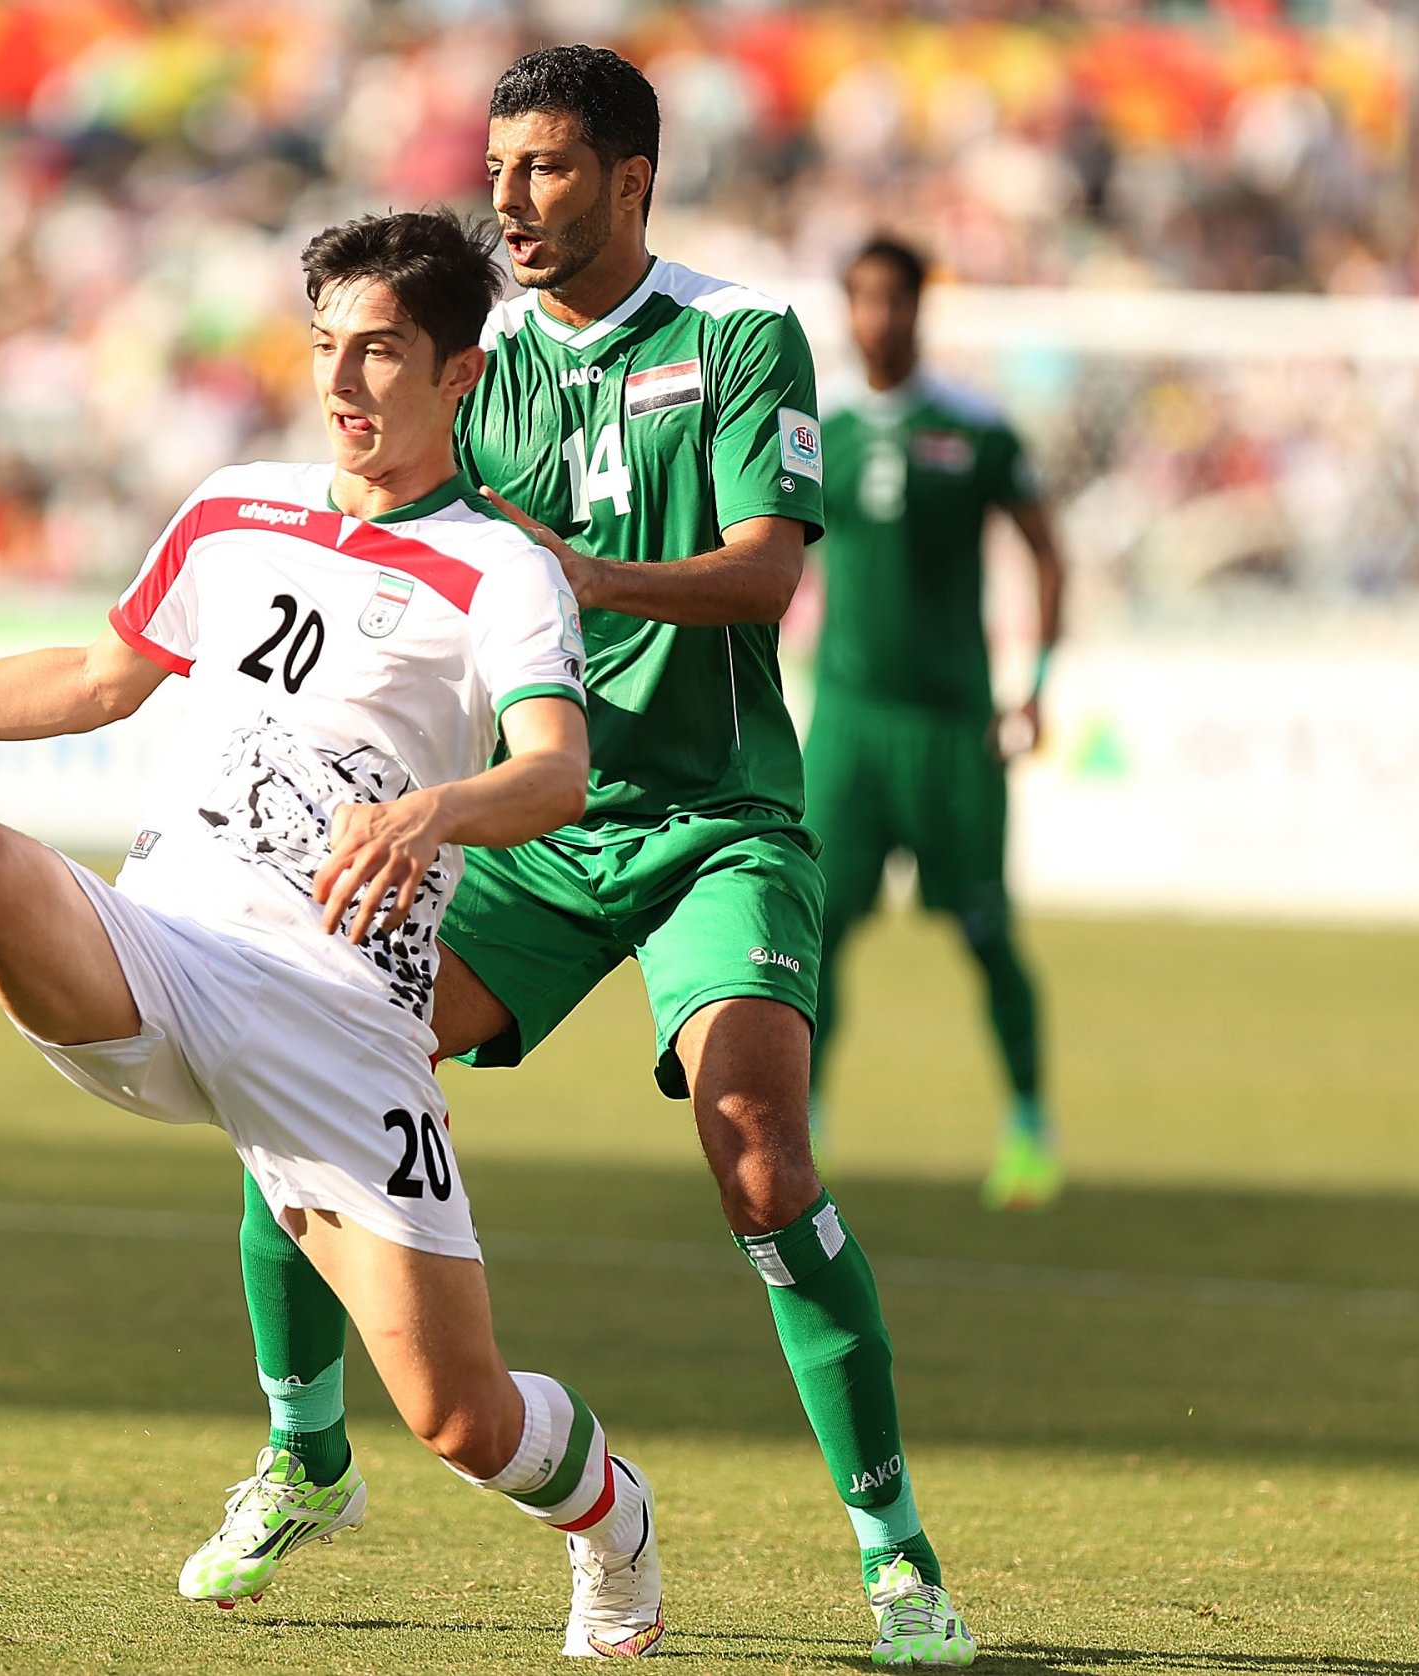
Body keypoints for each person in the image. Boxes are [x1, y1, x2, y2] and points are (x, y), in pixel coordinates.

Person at [0, 209, 672, 1659]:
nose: (344, 385)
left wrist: (437, 815)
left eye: (381, 354)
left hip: (340, 1018)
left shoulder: (501, 568)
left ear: (462, 376)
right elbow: (100, 676)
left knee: (461, 1419)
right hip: (160, 946)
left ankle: (615, 1525)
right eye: (324, 350)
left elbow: (557, 773)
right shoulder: (235, 506)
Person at [190, 46, 976, 1672]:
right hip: (529, 830)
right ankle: (306, 1452)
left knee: (763, 1155)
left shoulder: (742, 333)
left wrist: (572, 579)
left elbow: (765, 581)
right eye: (498, 169)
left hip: (714, 826)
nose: (511, 200)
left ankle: (896, 1560)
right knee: (303, 1048)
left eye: (546, 169)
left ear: (631, 177)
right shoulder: (471, 364)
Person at [806, 235, 1068, 1213]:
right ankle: (803, 1127)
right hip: (847, 725)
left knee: (988, 933)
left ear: (921, 308)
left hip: (956, 729)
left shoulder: (976, 427)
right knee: (812, 934)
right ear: (845, 308)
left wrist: (1033, 681)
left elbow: (1047, 552)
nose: (878, 316)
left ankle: (1030, 1127)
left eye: (895, 298)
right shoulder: (812, 421)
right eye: (862, 297)